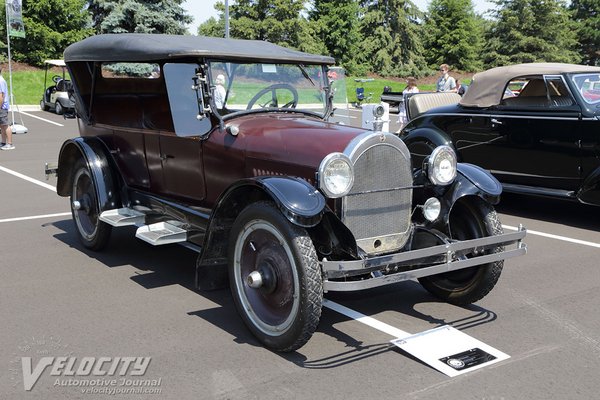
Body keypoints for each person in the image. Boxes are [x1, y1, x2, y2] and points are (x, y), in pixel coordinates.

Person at [0, 67, 14, 150]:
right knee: (2, 125)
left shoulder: (0, 81)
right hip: (1, 106)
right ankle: (3, 142)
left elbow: (1, 96)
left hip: (2, 107)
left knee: (5, 125)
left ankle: (9, 143)